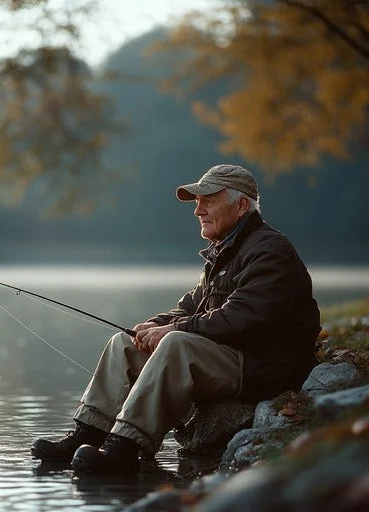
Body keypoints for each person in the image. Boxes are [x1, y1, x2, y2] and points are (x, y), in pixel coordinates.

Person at [31, 164, 321, 474]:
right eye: (197, 202)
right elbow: (192, 307)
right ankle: (85, 434)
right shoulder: (225, 250)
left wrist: (173, 329)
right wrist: (155, 325)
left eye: (208, 200)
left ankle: (125, 449)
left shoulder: (269, 250)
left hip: (261, 366)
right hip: (232, 355)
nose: (198, 211)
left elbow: (243, 319)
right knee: (124, 344)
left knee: (176, 343)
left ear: (240, 206)